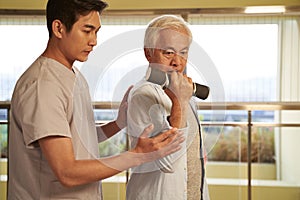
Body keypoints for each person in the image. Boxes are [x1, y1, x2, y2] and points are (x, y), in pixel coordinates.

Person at [8, 1, 185, 199]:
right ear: (58, 28)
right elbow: (67, 172)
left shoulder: (74, 75)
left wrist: (118, 124)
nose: (94, 41)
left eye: (96, 32)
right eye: (87, 30)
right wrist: (137, 155)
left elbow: (77, 138)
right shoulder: (44, 85)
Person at [126, 15, 210, 200]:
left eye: (183, 52)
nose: (177, 62)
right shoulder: (143, 95)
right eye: (168, 52)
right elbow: (168, 162)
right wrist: (179, 102)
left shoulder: (182, 90)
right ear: (149, 53)